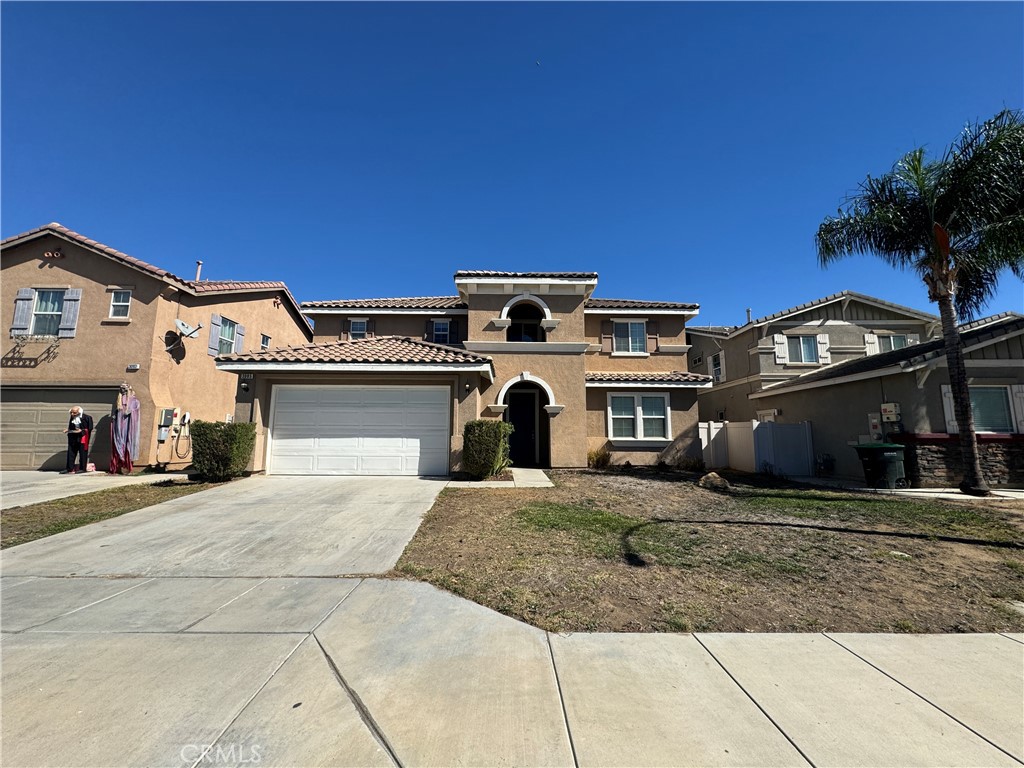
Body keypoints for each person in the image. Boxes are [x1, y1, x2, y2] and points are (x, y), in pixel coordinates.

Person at [62, 406, 94, 474]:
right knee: (71, 453)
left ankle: (82, 468)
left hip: (83, 438)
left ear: (79, 412)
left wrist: (81, 431)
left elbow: (90, 428)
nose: (72, 414)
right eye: (71, 412)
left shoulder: (87, 418)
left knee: (83, 453)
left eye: (74, 413)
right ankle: (69, 468)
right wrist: (68, 430)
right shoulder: (72, 418)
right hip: (73, 437)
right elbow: (71, 427)